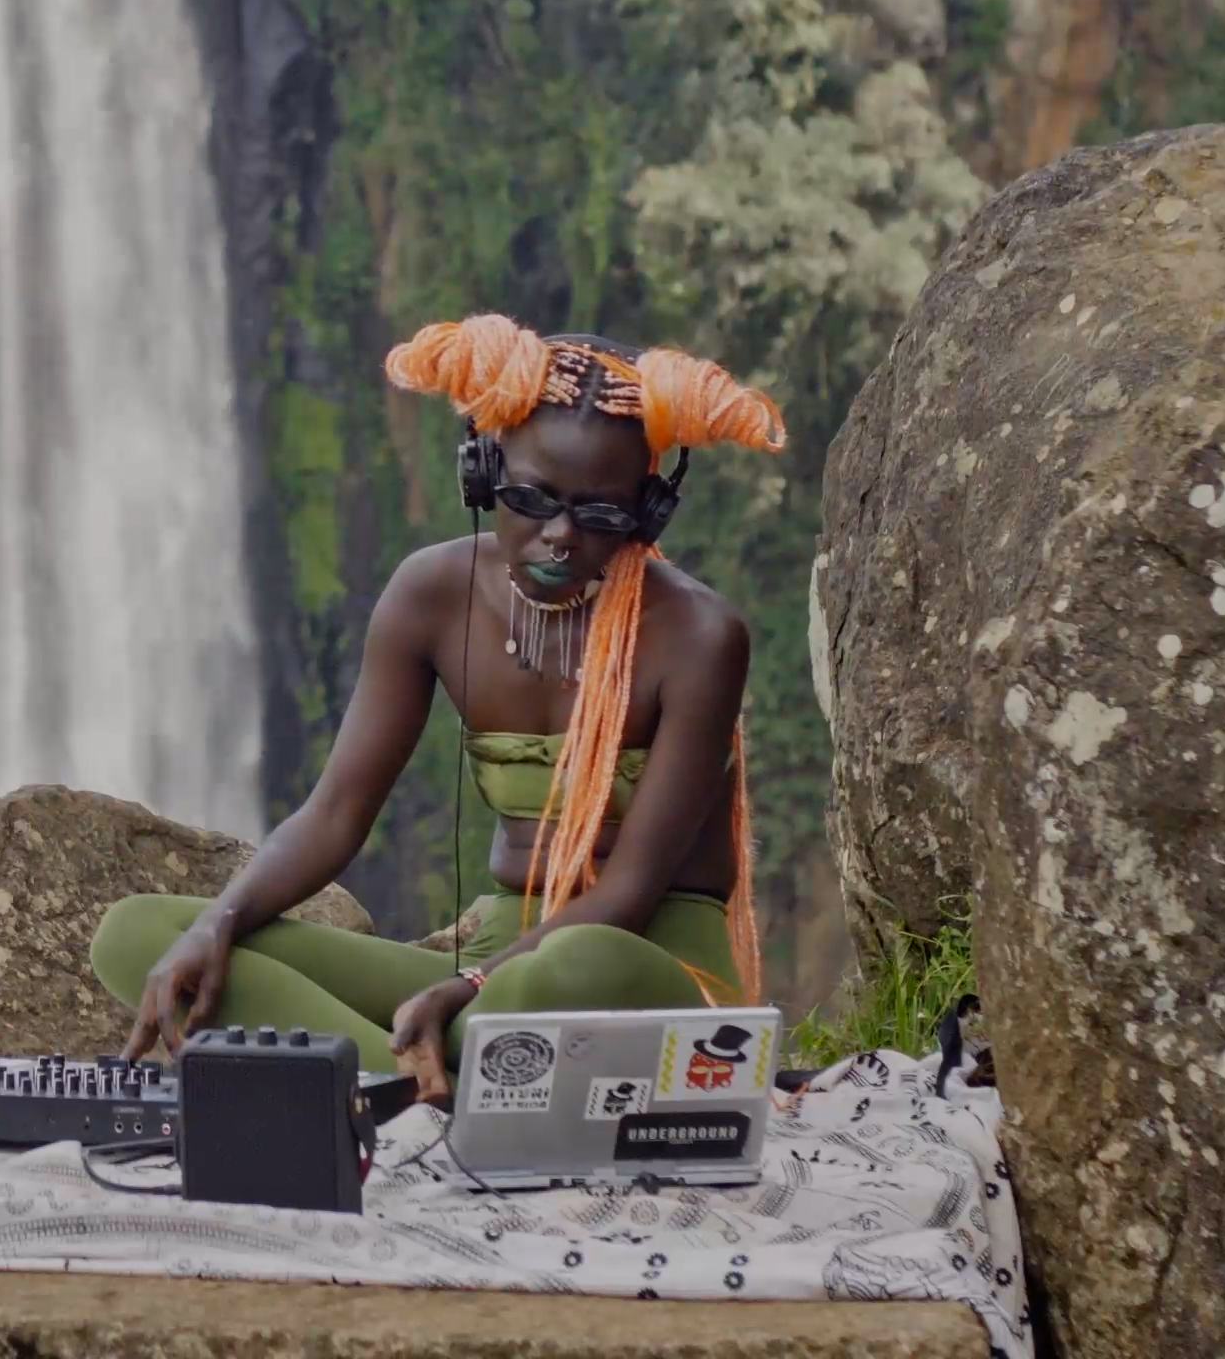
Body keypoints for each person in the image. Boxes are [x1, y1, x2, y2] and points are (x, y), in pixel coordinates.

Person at [93, 314, 787, 1100]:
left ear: (647, 514)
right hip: (481, 974)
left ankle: (389, 1076)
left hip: (628, 966)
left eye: (600, 515)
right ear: (482, 472)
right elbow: (334, 816)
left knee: (556, 973)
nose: (558, 536)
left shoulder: (699, 637)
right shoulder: (433, 595)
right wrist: (217, 922)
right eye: (531, 497)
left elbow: (628, 891)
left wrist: (477, 987)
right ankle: (426, 1085)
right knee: (143, 936)